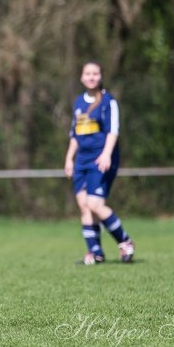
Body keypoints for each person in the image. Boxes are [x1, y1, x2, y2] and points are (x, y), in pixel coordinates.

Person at [64, 61, 135, 265]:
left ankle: (125, 241)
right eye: (88, 73)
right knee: (84, 206)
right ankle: (95, 252)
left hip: (101, 158)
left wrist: (106, 154)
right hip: (82, 161)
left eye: (95, 73)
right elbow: (74, 134)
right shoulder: (78, 102)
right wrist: (69, 158)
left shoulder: (108, 102)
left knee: (95, 204)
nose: (92, 77)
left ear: (101, 76)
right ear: (81, 77)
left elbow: (113, 130)